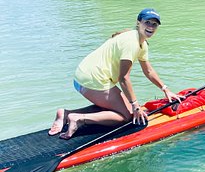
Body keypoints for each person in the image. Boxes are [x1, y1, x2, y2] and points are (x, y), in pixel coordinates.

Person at [49, 8, 181, 139]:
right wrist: (135, 106)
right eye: (147, 22)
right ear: (138, 22)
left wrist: (166, 90)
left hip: (84, 77)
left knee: (120, 107)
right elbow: (123, 78)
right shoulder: (132, 43)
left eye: (154, 24)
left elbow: (148, 70)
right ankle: (79, 119)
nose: (151, 27)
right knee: (126, 116)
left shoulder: (140, 42)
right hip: (93, 80)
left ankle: (66, 114)